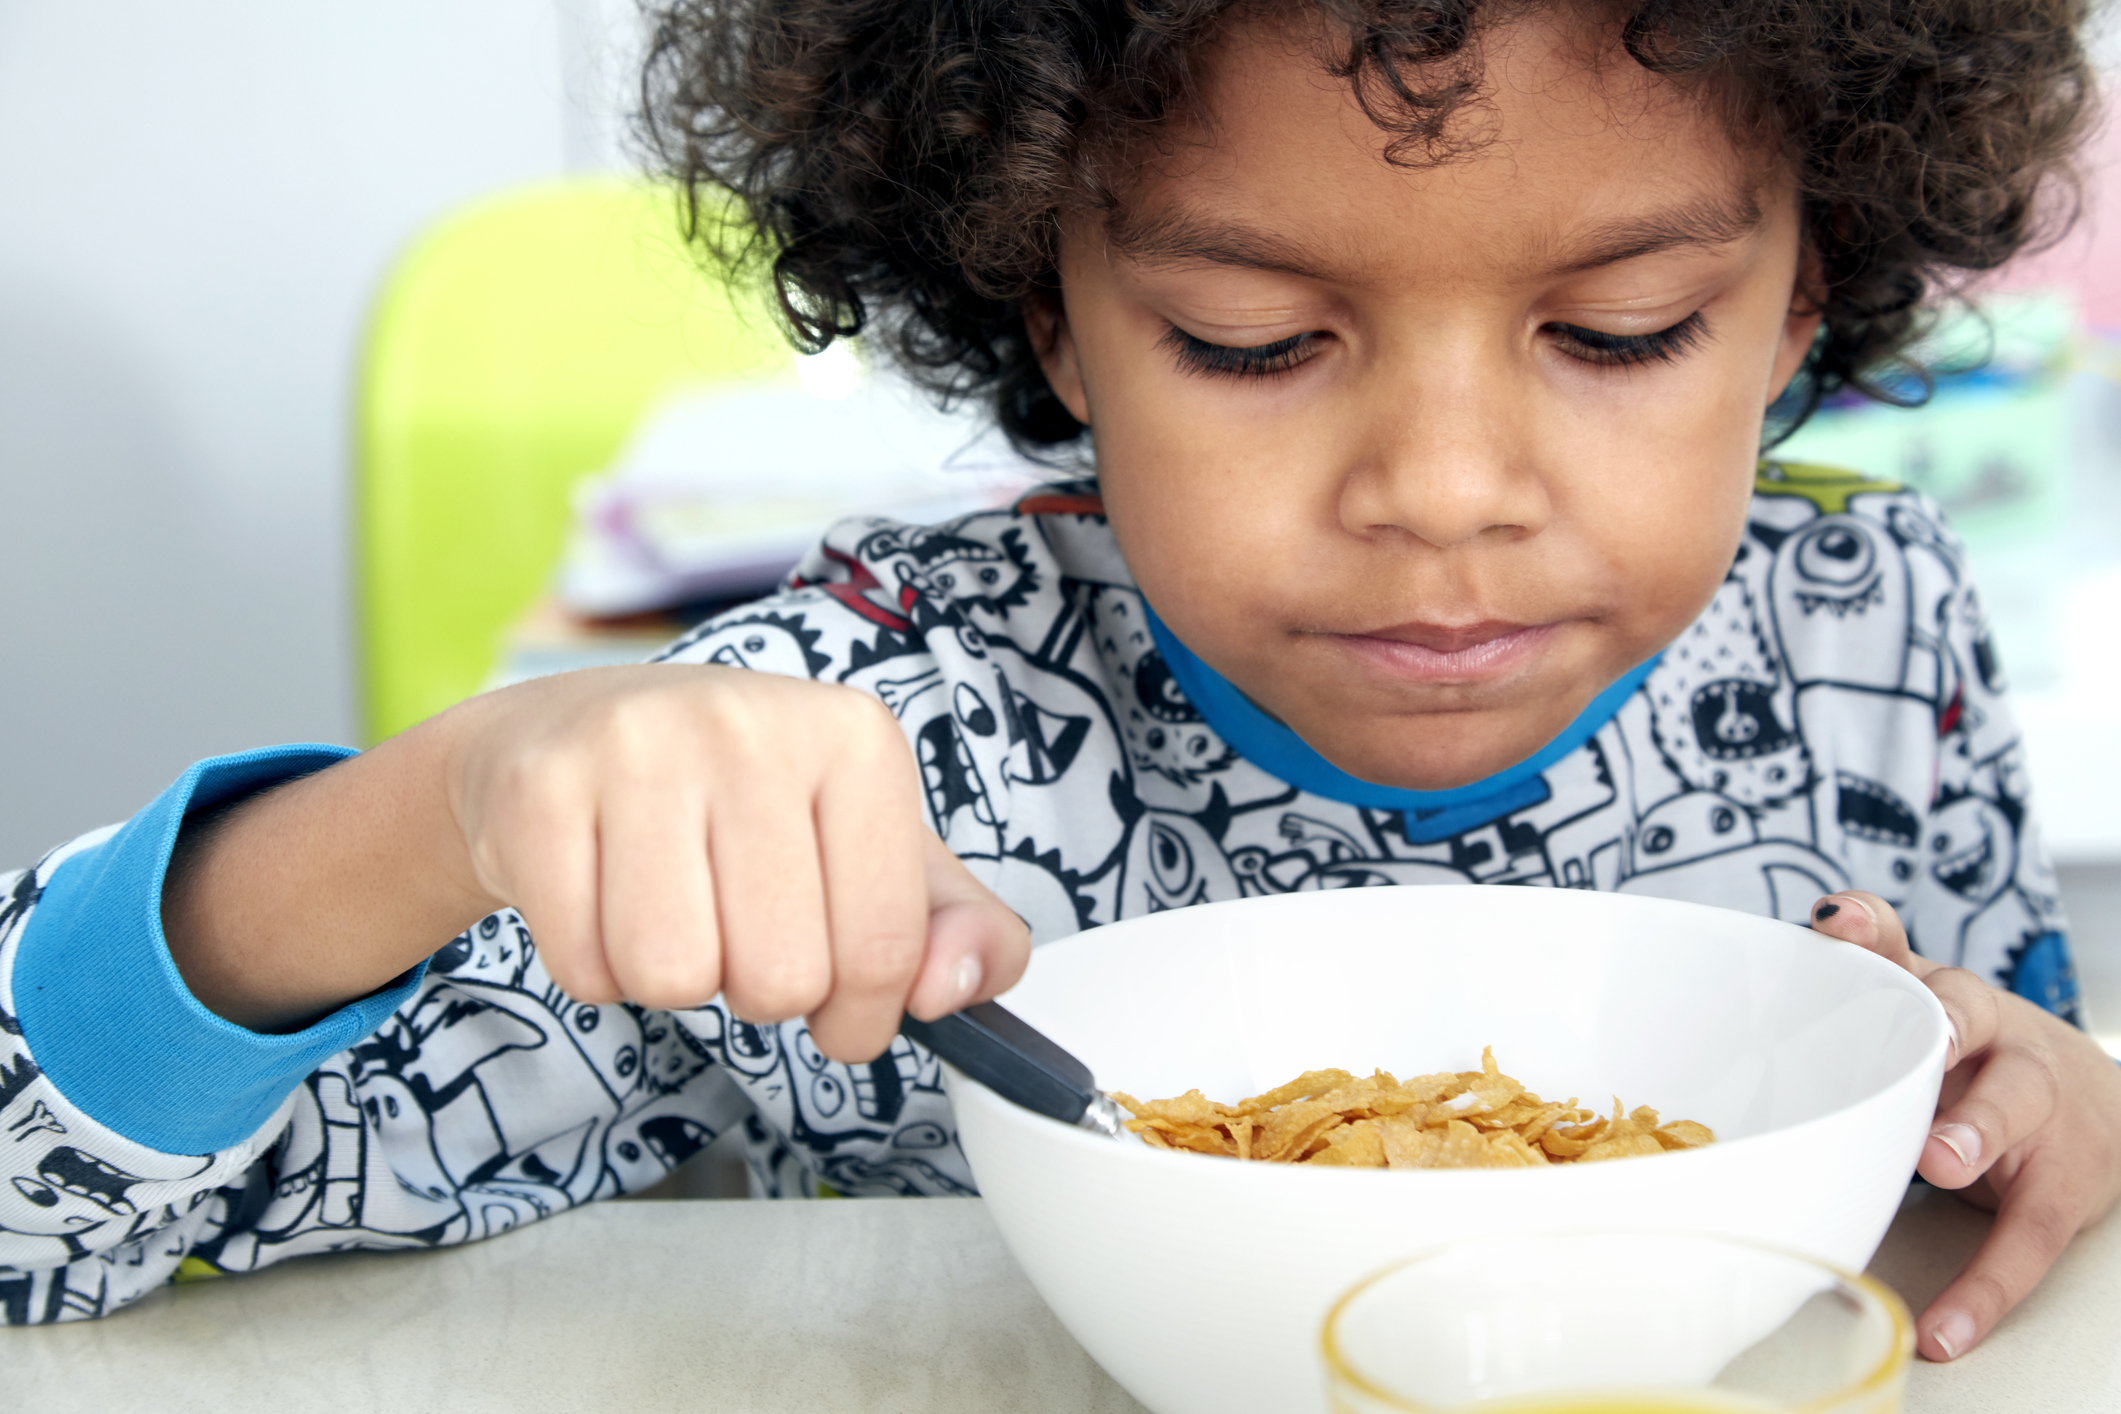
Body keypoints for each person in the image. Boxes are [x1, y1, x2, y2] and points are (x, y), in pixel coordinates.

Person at [0, 0, 2110, 1367]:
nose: (1443, 494)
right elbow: (35, 1224)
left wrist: (2066, 1098)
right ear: (1054, 315)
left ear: (1797, 291)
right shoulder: (852, 753)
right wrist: (456, 792)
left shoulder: (1869, 637)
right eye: (1252, 343)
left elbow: (1996, 1082)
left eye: (1625, 327)